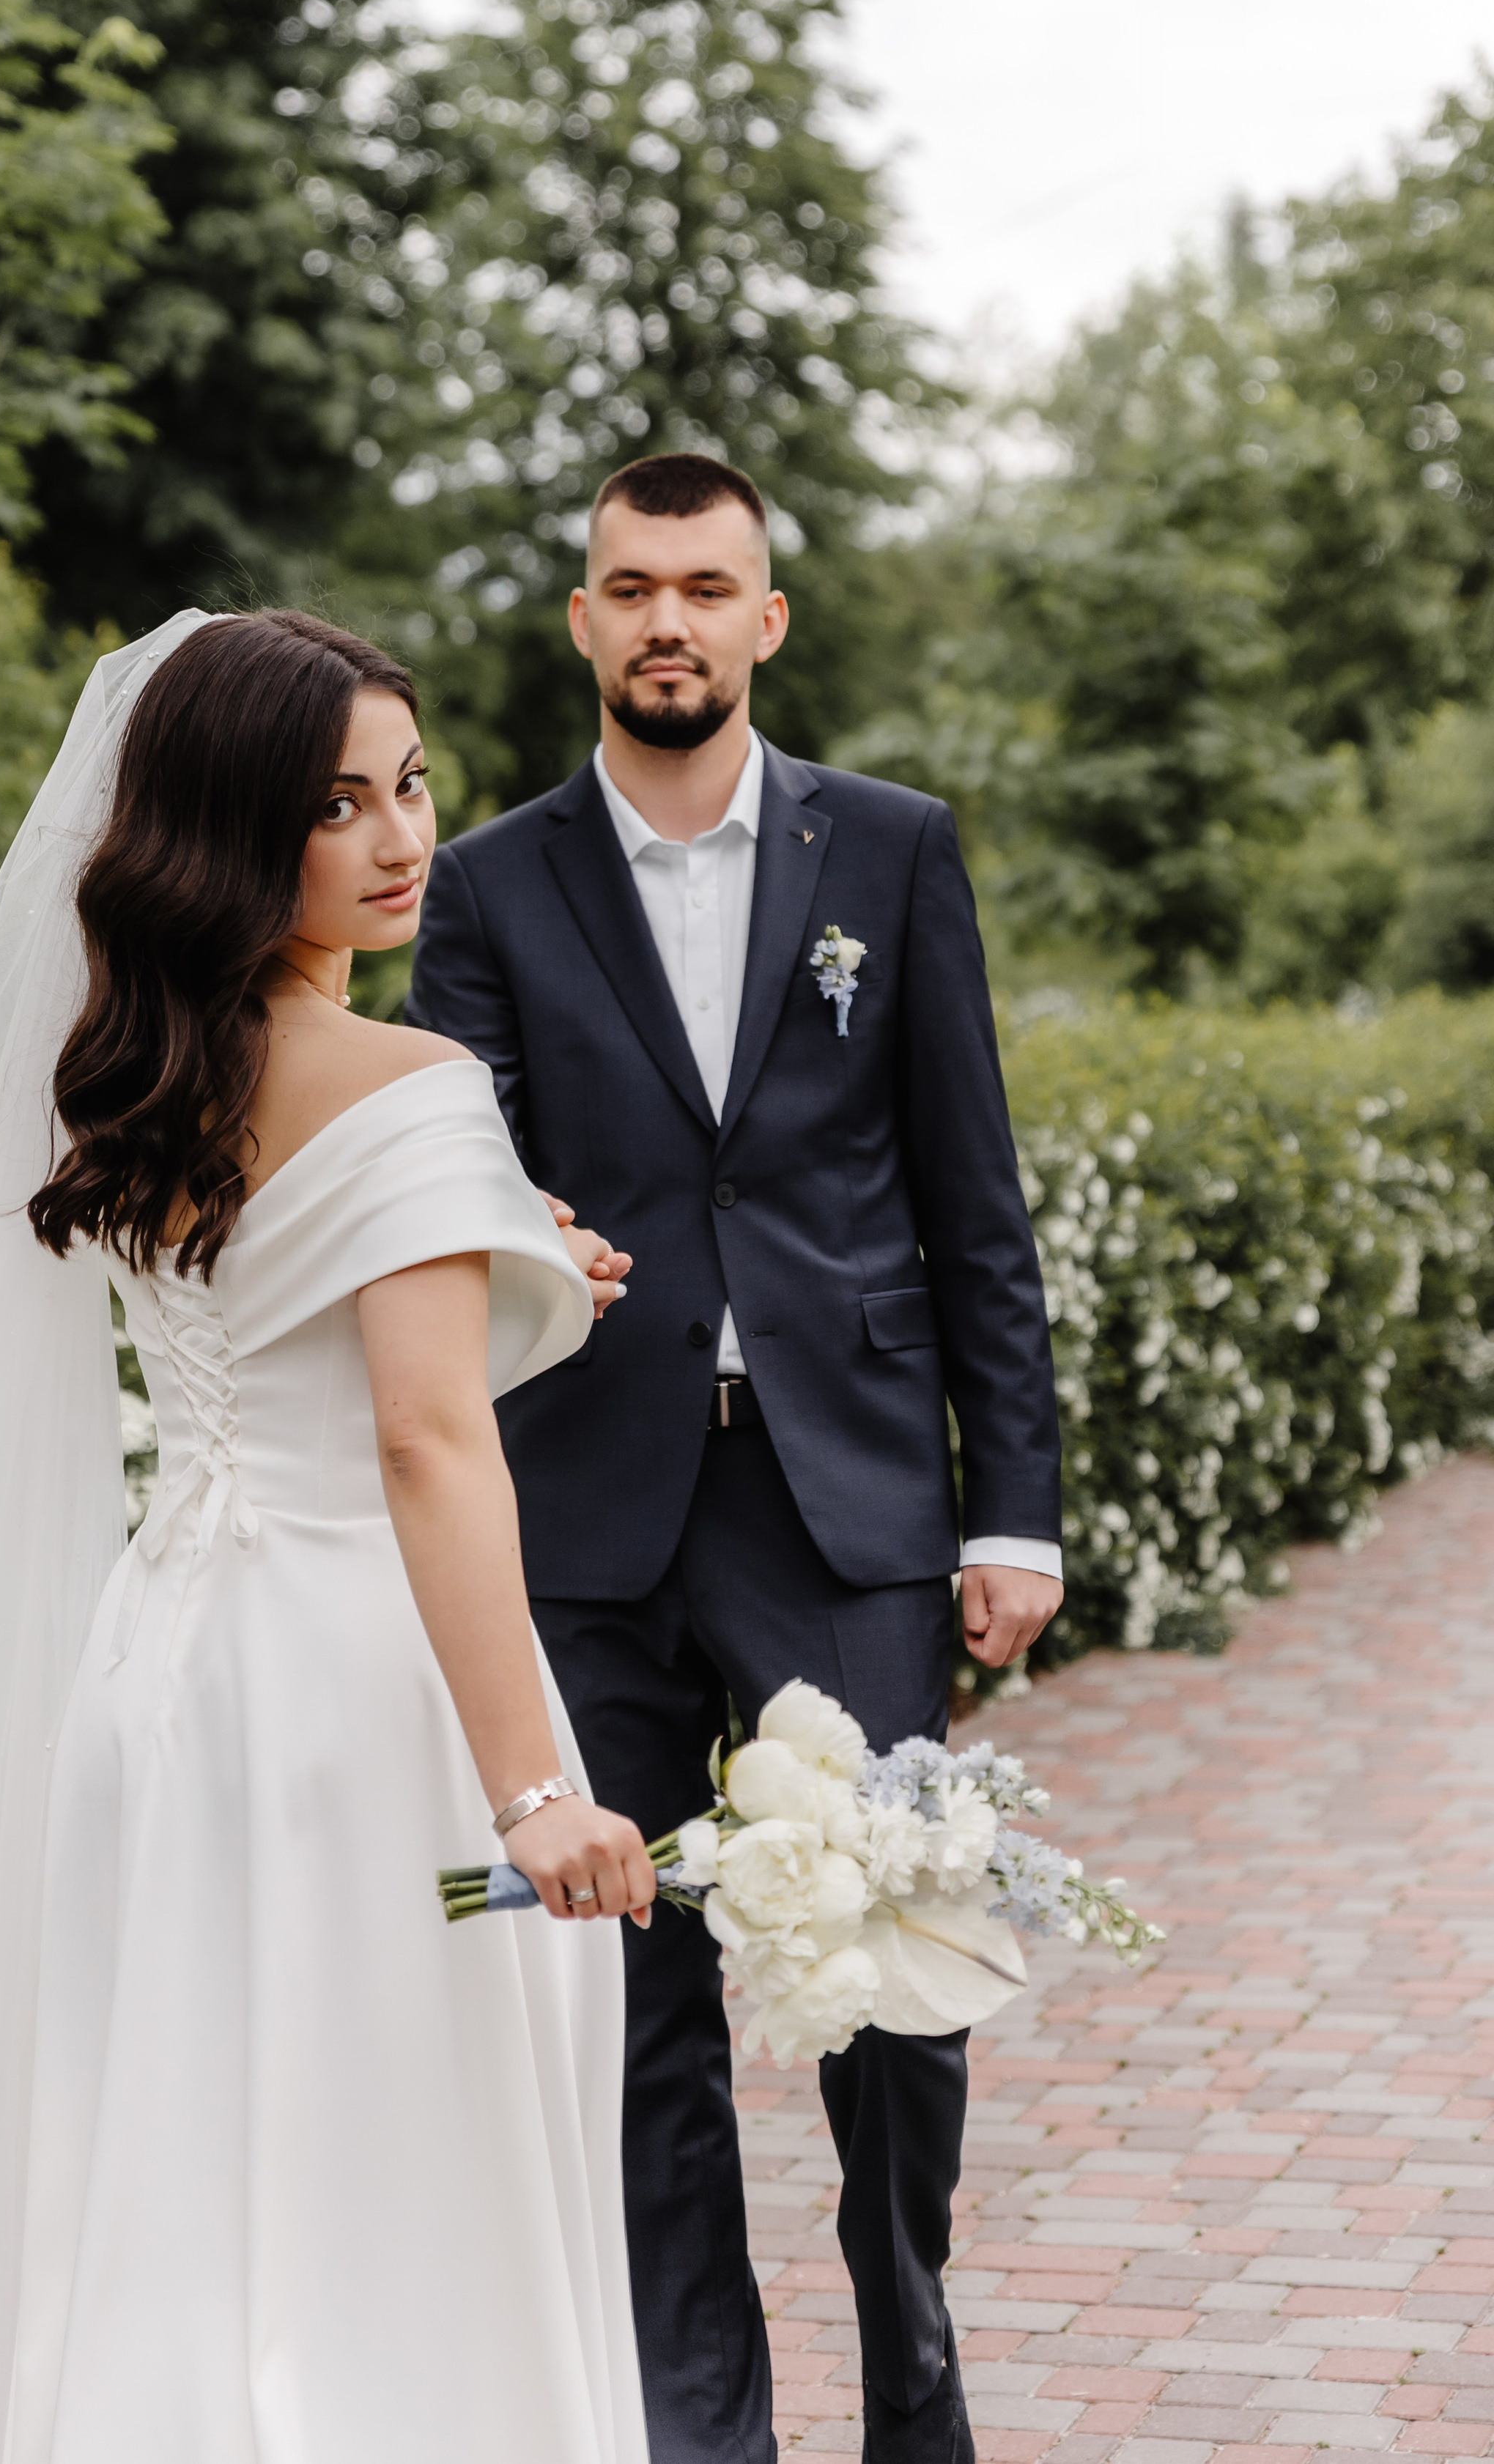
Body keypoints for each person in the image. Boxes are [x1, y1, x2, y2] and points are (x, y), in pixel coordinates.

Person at [0, 609, 655, 2464]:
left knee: (183, 2163)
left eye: (410, 783)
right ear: (224, 833)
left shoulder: (126, 1075)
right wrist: (532, 1801)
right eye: (331, 804)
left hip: (168, 1677)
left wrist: (520, 1269)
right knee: (402, 2177)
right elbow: (422, 1443)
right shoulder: (412, 1085)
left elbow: (269, 1343)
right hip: (367, 1699)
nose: (397, 836)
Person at [407, 453, 1065, 2464]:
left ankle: (913, 2379)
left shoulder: (891, 849)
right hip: (586, 1505)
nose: (669, 619)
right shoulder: (490, 884)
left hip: (847, 1495)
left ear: (767, 619)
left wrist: (1009, 1499)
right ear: (585, 621)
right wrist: (531, 1233)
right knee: (628, 2008)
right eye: (632, 586)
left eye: (708, 585)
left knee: (900, 1979)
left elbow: (973, 1193)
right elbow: (451, 1167)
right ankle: (701, 2429)